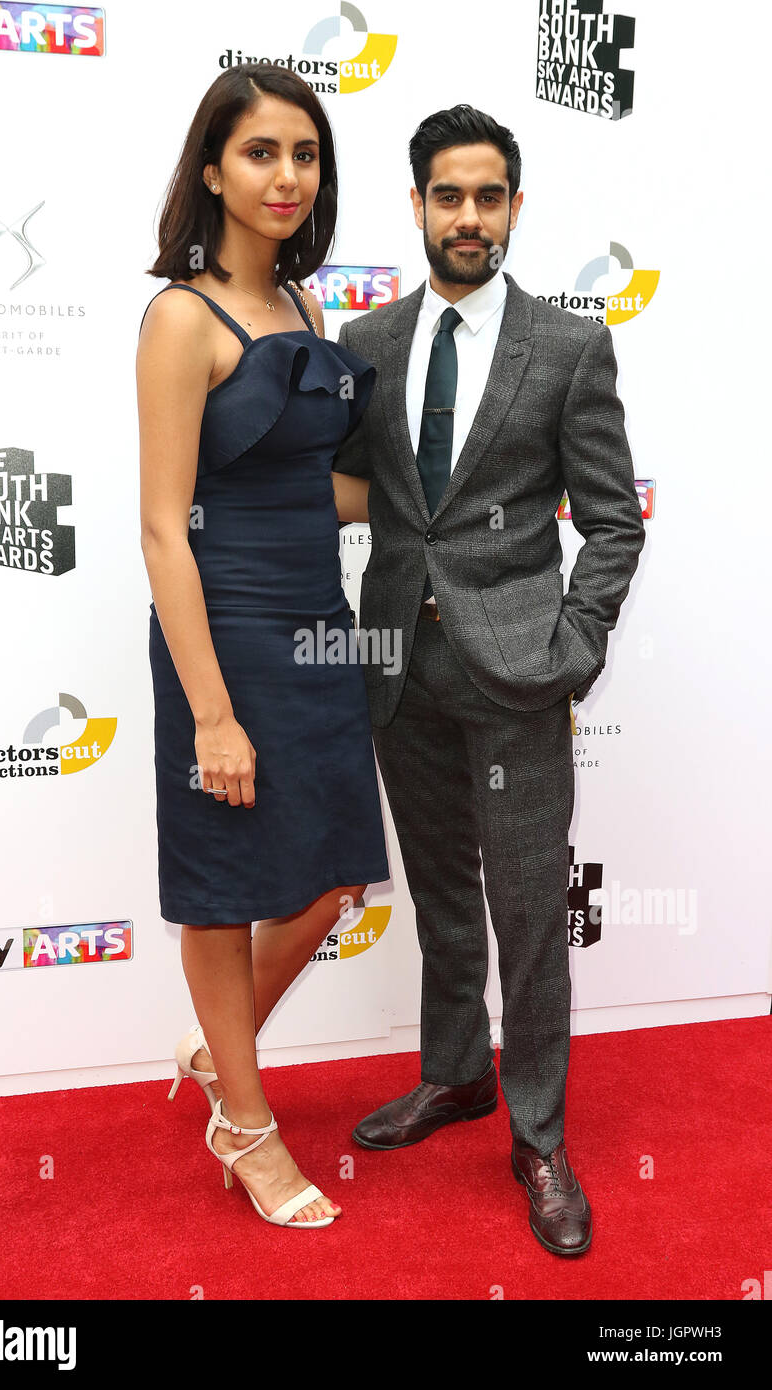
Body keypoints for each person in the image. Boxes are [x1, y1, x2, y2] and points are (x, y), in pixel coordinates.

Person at [331, 104, 646, 1255]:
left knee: (527, 913)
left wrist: (573, 645)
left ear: (515, 206)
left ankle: (539, 1135)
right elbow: (354, 492)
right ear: (414, 204)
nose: (470, 217)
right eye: (448, 195)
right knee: (442, 896)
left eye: (490, 196)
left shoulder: (567, 346)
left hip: (517, 673)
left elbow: (613, 520)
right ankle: (456, 1074)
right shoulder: (365, 344)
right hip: (399, 669)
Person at [136, 63, 389, 1229]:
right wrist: (212, 711)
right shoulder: (181, 317)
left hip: (318, 630)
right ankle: (246, 1121)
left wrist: (437, 493)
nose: (287, 176)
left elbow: (312, 495)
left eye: (305, 155)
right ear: (212, 171)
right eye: (261, 153)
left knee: (337, 868)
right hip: (222, 634)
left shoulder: (306, 313)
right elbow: (162, 523)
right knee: (223, 892)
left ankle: (214, 1057)